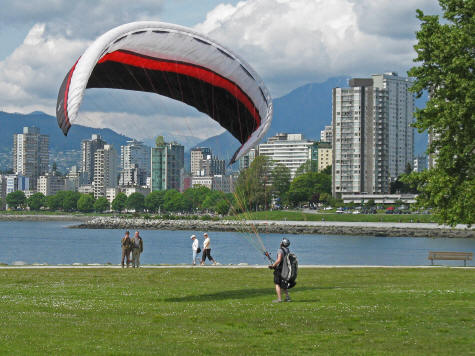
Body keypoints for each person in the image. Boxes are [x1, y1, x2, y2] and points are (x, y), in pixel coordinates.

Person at [268, 238, 291, 303]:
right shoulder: (287, 250)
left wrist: (273, 266)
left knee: (277, 283)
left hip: (279, 269)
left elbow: (279, 260)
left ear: (282, 243)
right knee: (283, 283)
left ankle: (279, 299)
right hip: (285, 269)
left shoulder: (280, 250)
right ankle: (288, 298)